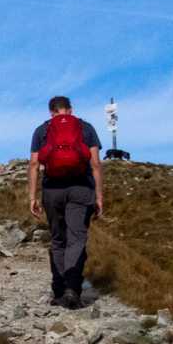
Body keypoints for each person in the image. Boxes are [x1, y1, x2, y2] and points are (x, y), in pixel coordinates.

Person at [25, 95, 104, 308]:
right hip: (80, 189)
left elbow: (34, 165)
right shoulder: (86, 128)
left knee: (59, 239)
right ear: (71, 109)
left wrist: (33, 197)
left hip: (52, 190)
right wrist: (98, 197)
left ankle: (58, 289)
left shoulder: (42, 131)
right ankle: (72, 289)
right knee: (77, 238)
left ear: (51, 112)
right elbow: (95, 164)